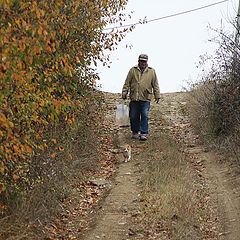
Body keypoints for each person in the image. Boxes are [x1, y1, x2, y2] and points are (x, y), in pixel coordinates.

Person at [122, 54, 160, 141]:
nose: (143, 63)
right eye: (141, 61)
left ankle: (143, 133)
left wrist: (157, 95)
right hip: (134, 97)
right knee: (133, 116)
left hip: (145, 97)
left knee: (144, 115)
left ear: (147, 62)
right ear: (138, 61)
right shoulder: (132, 70)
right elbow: (127, 83)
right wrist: (124, 93)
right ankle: (135, 132)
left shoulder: (151, 71)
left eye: (144, 61)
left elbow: (155, 84)